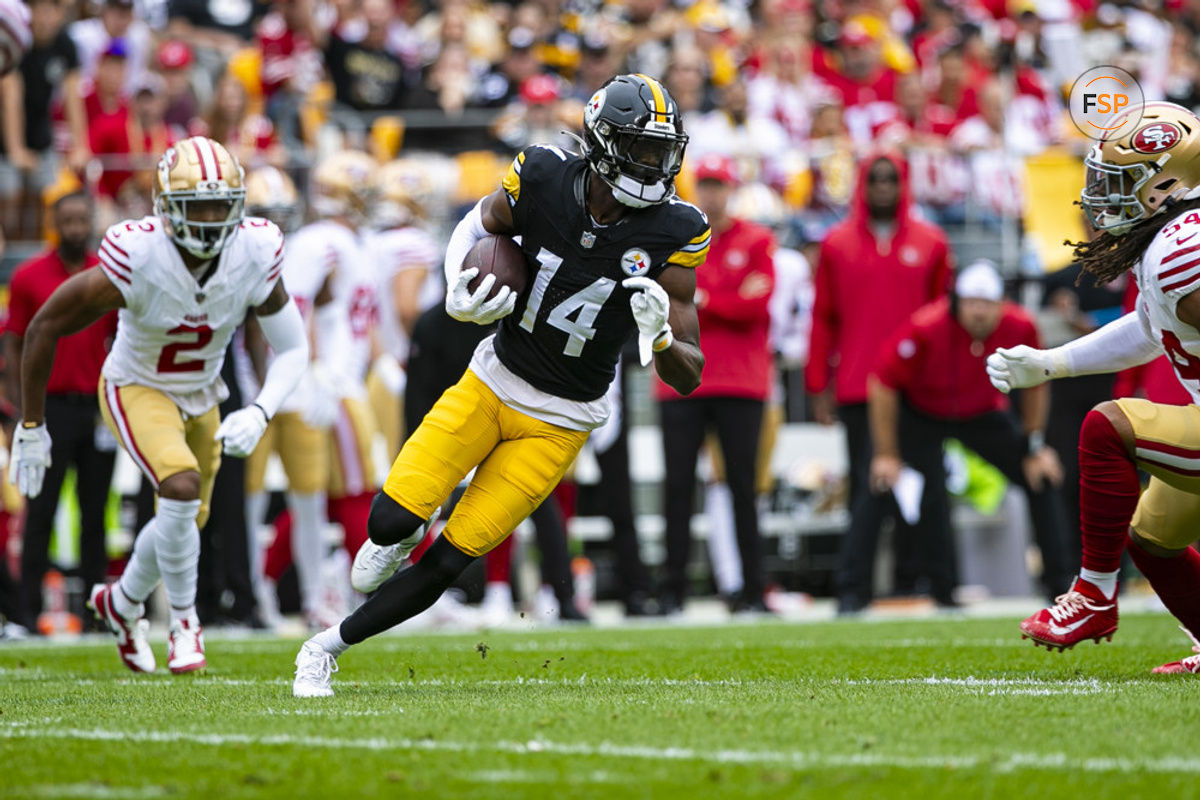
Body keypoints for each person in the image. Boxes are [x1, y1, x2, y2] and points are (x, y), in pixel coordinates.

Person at [293, 73, 708, 697]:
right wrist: (455, 283)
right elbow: (480, 221)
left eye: (662, 151)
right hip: (492, 382)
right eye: (641, 150)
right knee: (386, 521)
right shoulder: (543, 174)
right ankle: (402, 528)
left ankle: (323, 649)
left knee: (454, 556)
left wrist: (660, 339)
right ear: (601, 143)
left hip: (562, 421)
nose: (655, 166)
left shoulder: (676, 229)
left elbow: (690, 374)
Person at [9, 136, 309, 674]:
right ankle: (183, 622)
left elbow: (294, 346)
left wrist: (260, 410)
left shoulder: (255, 250)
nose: (214, 220)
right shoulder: (138, 254)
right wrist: (32, 423)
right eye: (200, 207)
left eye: (223, 206)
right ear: (167, 208)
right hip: (136, 386)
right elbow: (44, 324)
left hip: (203, 394)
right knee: (179, 486)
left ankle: (121, 603)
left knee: (183, 521)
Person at [986, 102, 1200, 674]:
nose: (1101, 199)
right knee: (1151, 537)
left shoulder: (1185, 248)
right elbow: (1149, 329)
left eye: (1121, 183)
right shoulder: (1171, 243)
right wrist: (1051, 364)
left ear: (1167, 187)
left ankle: (1094, 596)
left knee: (1108, 426)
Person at [857, 260, 1073, 612]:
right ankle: (864, 591)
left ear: (1002, 304)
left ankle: (1061, 585)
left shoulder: (1021, 326)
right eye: (971, 302)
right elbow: (883, 382)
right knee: (886, 484)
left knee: (1040, 475)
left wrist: (1034, 443)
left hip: (981, 413)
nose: (978, 312)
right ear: (956, 301)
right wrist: (886, 452)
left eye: (986, 303)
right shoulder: (926, 326)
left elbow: (1037, 382)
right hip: (922, 413)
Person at [805, 151, 952, 612]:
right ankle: (855, 589)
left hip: (920, 387)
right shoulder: (836, 243)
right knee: (868, 490)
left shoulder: (932, 242)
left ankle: (925, 583)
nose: (883, 187)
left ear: (903, 184)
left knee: (927, 488)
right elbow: (823, 317)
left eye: (892, 179)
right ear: (863, 184)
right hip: (857, 386)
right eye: (876, 179)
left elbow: (944, 319)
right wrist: (818, 383)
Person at [656, 153, 774, 615]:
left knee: (744, 488)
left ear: (731, 189)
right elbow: (664, 300)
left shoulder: (756, 239)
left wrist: (700, 298)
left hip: (738, 381)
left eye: (718, 184)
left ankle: (752, 589)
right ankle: (672, 591)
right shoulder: (674, 236)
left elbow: (758, 308)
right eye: (705, 184)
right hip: (681, 379)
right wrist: (724, 298)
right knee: (678, 489)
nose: (711, 193)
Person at [4, 191, 118, 634]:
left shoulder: (108, 274)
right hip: (47, 407)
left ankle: (94, 613)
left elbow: (118, 340)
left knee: (96, 514)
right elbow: (14, 342)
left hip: (95, 408)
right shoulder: (30, 275)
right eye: (66, 220)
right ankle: (26, 614)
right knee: (41, 510)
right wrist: (20, 406)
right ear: (54, 222)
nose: (74, 227)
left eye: (81, 219)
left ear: (90, 221)